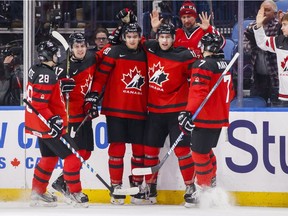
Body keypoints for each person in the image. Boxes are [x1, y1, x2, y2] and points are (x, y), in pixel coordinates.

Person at [136, 23, 197, 206]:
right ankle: (150, 187)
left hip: (177, 112)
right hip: (154, 112)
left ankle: (190, 188)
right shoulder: (150, 49)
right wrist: (153, 29)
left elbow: (202, 68)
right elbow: (133, 40)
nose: (164, 40)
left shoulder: (184, 55)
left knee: (182, 151)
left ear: (173, 38)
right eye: (161, 37)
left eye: (168, 37)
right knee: (150, 151)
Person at [25, 40, 88, 207]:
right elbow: (39, 104)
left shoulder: (36, 69)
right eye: (54, 53)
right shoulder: (48, 76)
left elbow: (42, 94)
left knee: (49, 158)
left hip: (37, 124)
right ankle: (74, 193)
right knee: (73, 156)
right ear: (47, 55)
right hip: (48, 126)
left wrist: (59, 85)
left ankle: (37, 191)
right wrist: (53, 119)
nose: (57, 56)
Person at [92, 22, 148, 205]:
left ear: (140, 37)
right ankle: (116, 186)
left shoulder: (146, 54)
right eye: (129, 36)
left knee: (139, 152)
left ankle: (138, 186)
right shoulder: (115, 52)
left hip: (139, 110)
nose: (132, 39)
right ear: (124, 37)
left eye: (135, 36)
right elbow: (100, 76)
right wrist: (93, 94)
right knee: (117, 150)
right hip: (115, 110)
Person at [178, 33, 234, 205]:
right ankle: (211, 182)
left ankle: (203, 189)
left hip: (204, 117)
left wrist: (188, 112)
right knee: (206, 150)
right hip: (219, 118)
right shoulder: (225, 65)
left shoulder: (202, 64)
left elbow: (198, 92)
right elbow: (231, 93)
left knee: (198, 153)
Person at [51, 32, 99, 200]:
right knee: (75, 154)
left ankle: (61, 181)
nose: (80, 50)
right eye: (76, 47)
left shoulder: (92, 59)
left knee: (86, 153)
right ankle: (74, 191)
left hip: (84, 115)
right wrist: (60, 88)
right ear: (70, 49)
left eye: (82, 46)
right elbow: (49, 91)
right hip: (69, 117)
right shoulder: (62, 68)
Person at [150, 0, 225, 57]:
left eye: (189, 17)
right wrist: (155, 29)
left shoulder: (204, 31)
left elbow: (222, 42)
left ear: (195, 17)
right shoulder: (176, 33)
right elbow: (158, 45)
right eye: (183, 17)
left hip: (199, 70)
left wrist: (209, 29)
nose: (186, 20)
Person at [243, 0, 280, 104]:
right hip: (257, 77)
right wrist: (254, 46)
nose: (263, 12)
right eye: (261, 10)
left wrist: (262, 44)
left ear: (275, 14)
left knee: (277, 107)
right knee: (255, 106)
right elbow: (245, 47)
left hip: (276, 76)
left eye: (267, 10)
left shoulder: (279, 27)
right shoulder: (251, 26)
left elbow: (279, 46)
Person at [253, 8, 288, 105]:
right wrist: (259, 26)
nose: (281, 28)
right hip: (284, 97)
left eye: (284, 24)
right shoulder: (279, 41)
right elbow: (262, 42)